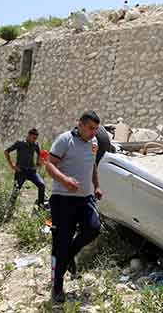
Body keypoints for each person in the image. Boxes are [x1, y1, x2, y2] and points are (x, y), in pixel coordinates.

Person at [45, 111, 103, 303]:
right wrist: (65, 180)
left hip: (85, 198)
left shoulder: (93, 143)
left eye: (96, 129)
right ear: (80, 124)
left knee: (93, 228)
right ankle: (57, 287)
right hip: (63, 199)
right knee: (61, 243)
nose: (94, 133)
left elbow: (92, 165)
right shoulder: (65, 140)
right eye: (91, 128)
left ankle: (70, 255)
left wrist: (97, 186)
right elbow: (49, 164)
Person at [5, 128, 46, 208]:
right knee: (16, 190)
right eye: (33, 138)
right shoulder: (20, 143)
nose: (34, 140)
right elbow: (6, 151)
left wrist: (38, 163)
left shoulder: (35, 144)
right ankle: (9, 209)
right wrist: (12, 165)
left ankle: (40, 208)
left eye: (36, 138)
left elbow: (39, 154)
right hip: (21, 171)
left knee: (41, 185)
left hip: (31, 171)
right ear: (29, 135)